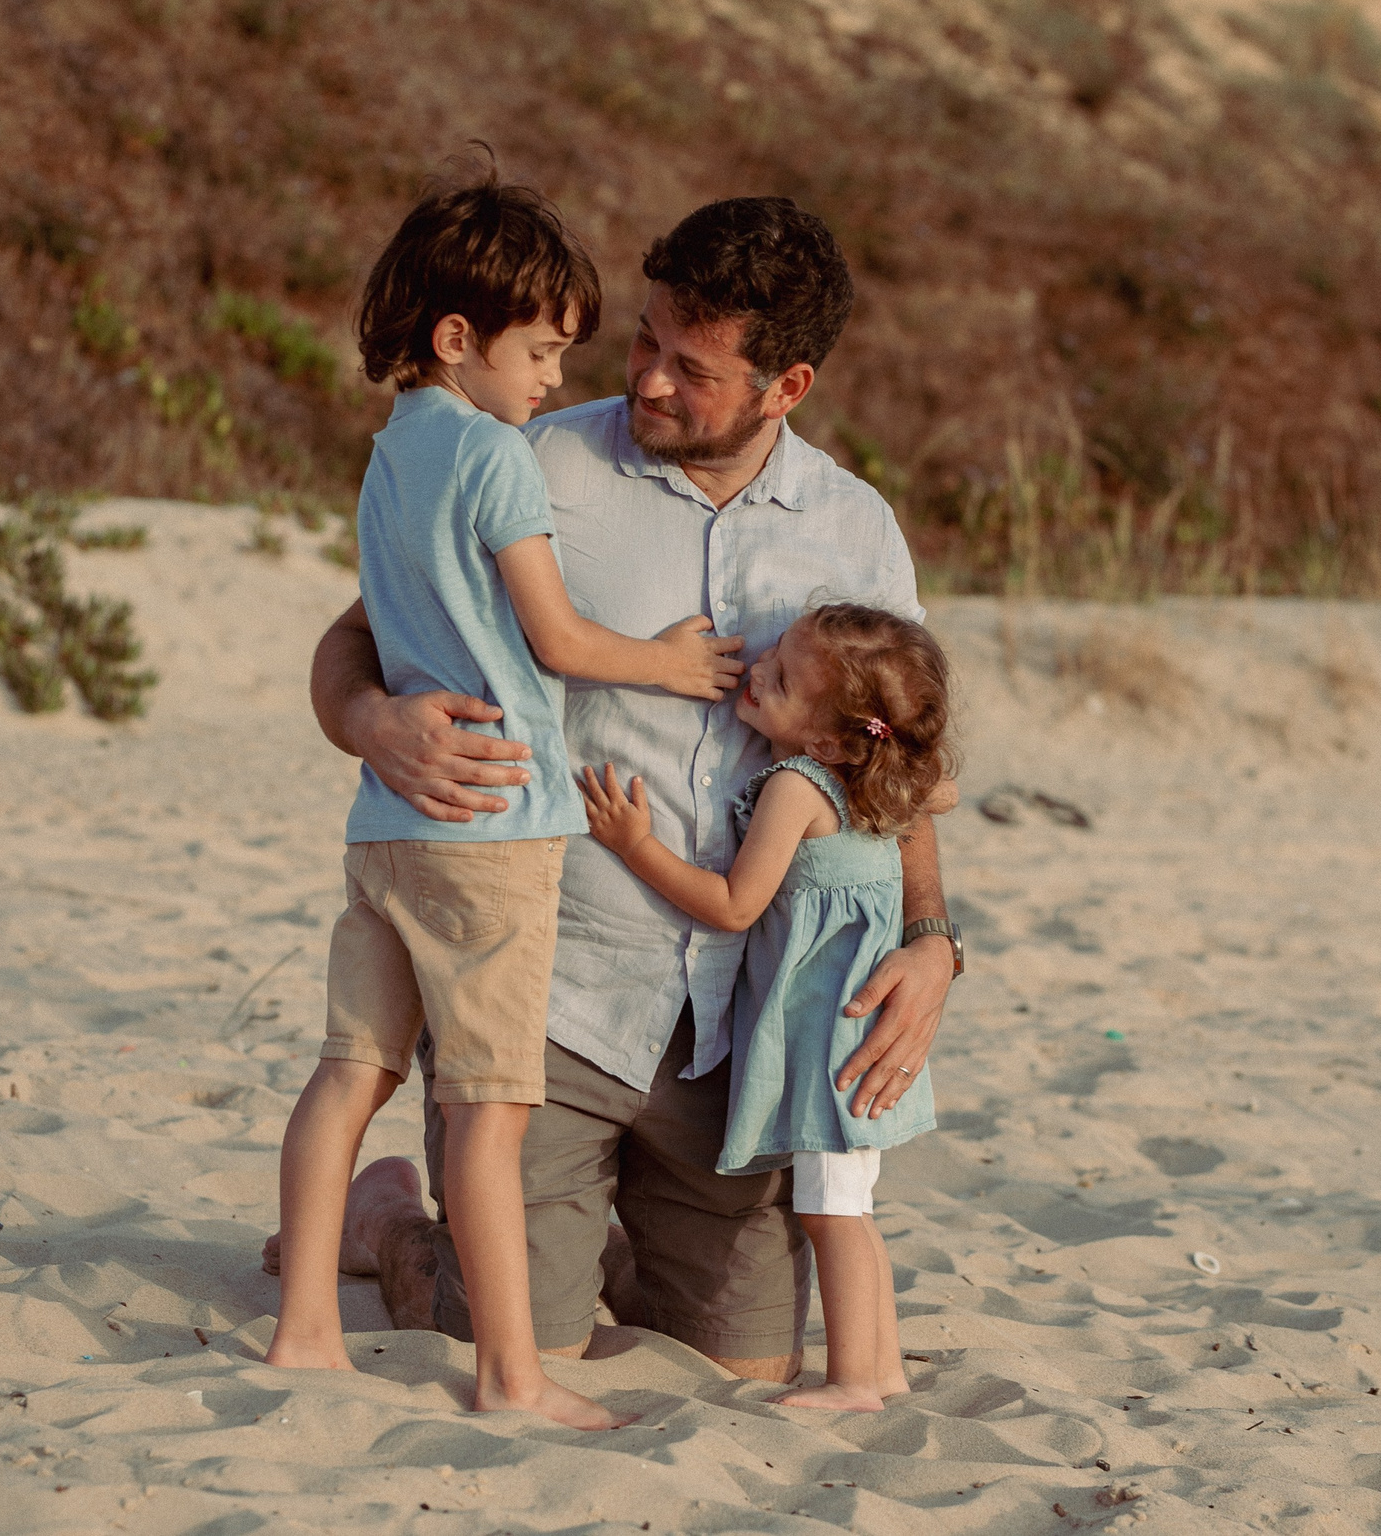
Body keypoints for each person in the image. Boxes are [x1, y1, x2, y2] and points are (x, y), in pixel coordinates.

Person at [299, 196, 962, 1385]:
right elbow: (354, 640)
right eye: (644, 341)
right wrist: (371, 721)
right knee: (510, 1346)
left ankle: (586, 1236)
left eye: (690, 367)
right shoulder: (531, 458)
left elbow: (892, 765)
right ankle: (393, 1225)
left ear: (787, 385)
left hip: (740, 1040)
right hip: (559, 995)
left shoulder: (856, 531)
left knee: (743, 1372)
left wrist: (929, 940)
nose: (647, 380)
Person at [265, 164, 741, 1432]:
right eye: (541, 352)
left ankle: (307, 1325)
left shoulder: (388, 456)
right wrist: (676, 662)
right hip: (496, 832)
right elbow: (559, 639)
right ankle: (510, 1377)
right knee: (488, 1112)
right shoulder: (497, 458)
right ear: (457, 337)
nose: (553, 382)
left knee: (346, 1072)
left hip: (388, 824)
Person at [575, 602, 954, 1409]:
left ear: (829, 740)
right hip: (861, 1034)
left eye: (780, 678)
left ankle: (854, 1377)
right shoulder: (880, 788)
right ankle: (881, 1369)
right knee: (853, 1205)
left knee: (832, 1214)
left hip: (828, 1042)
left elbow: (735, 904)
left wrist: (634, 843)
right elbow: (939, 789)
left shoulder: (796, 785)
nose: (757, 672)